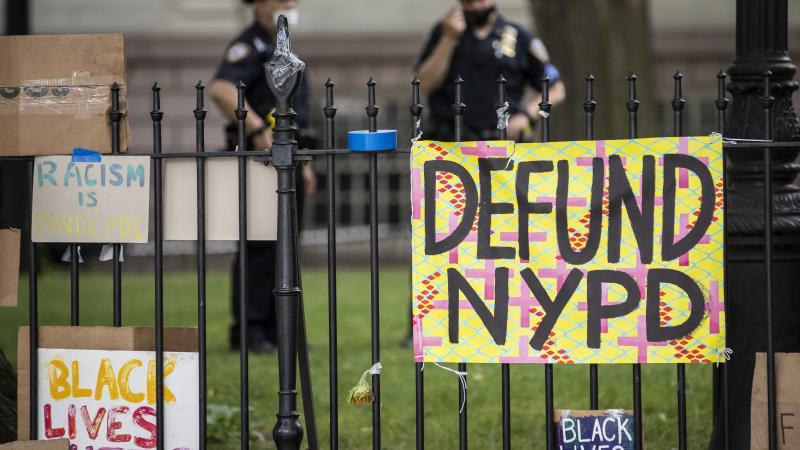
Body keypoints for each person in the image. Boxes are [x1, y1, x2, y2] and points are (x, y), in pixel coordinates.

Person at [209, 0, 316, 353]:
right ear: (257, 5)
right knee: (260, 246)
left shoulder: (281, 44)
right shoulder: (249, 44)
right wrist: (257, 131)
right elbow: (222, 89)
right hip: (259, 160)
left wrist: (304, 162)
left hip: (287, 158)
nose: (290, 5)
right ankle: (250, 330)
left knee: (286, 247)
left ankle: (279, 329)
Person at [416, 0, 566, 141]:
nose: (476, 6)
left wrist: (527, 115)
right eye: (469, 1)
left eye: (480, 0)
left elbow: (556, 89)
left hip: (500, 143)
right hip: (449, 143)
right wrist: (448, 38)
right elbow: (425, 85)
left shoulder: (519, 36)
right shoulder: (444, 31)